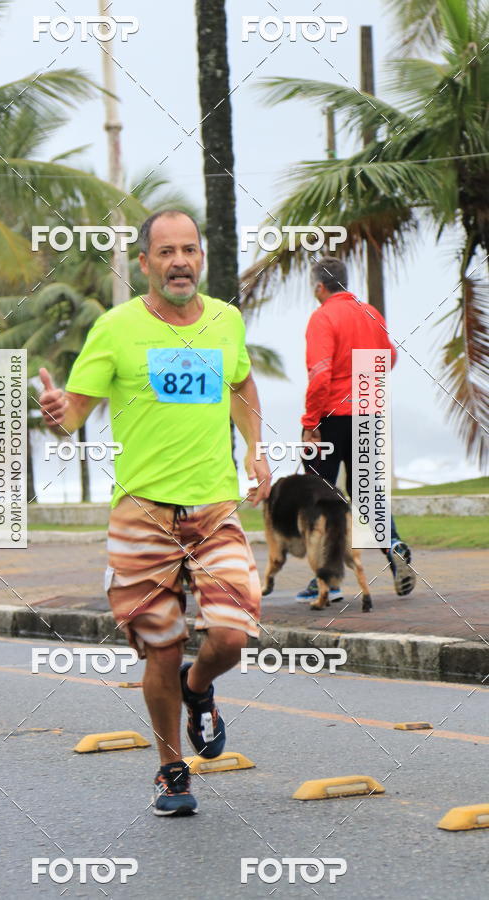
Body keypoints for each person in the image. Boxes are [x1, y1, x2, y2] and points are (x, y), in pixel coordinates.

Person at [39, 209, 271, 817]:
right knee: (161, 647)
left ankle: (201, 689)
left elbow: (242, 384)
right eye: (165, 252)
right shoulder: (115, 329)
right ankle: (172, 770)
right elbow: (73, 415)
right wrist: (56, 408)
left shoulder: (226, 321)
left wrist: (256, 448)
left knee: (231, 636)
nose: (179, 262)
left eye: (189, 250)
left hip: (215, 506)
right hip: (142, 516)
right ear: (144, 263)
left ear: (202, 257)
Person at [297, 256, 416, 602]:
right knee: (368, 496)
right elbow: (389, 358)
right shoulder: (371, 314)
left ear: (319, 287)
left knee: (320, 497)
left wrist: (310, 425)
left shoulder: (322, 316)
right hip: (368, 411)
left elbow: (319, 374)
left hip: (331, 418)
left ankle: (328, 580)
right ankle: (393, 548)